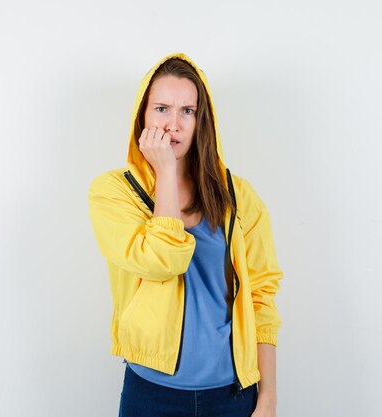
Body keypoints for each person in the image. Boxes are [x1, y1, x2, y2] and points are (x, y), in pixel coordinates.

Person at [87, 52, 284, 417]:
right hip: (151, 395)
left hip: (234, 395)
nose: (173, 125)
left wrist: (268, 396)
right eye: (161, 109)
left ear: (200, 121)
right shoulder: (113, 192)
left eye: (187, 111)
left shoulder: (238, 196)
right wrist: (165, 172)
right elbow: (163, 261)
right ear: (142, 116)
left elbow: (261, 297)